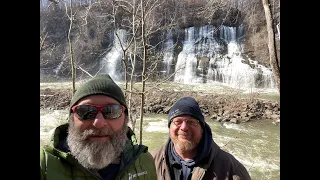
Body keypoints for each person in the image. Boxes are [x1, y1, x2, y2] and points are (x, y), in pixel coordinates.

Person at [40, 74, 157, 180]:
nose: (99, 123)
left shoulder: (144, 162)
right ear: (71, 119)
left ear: (125, 118)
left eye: (111, 111)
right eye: (86, 111)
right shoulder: (44, 165)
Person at [151, 96, 251, 180]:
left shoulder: (231, 168)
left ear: (202, 129)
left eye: (191, 122)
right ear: (170, 126)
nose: (184, 127)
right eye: (178, 122)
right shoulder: (151, 160)